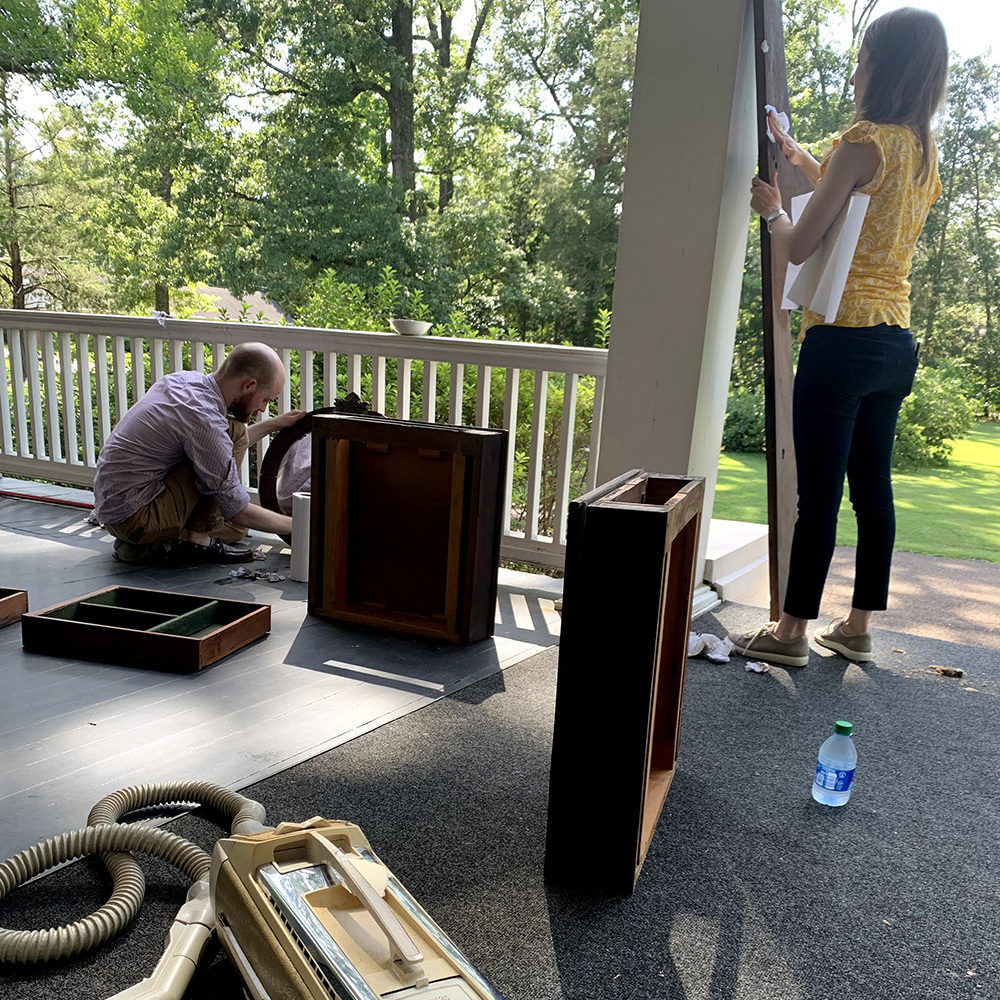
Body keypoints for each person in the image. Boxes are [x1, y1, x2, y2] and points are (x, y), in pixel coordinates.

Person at [732, 7, 948, 667]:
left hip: (843, 341)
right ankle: (856, 628)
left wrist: (772, 212)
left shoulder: (862, 140)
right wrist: (794, 152)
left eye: (865, 58)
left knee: (818, 496)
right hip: (893, 345)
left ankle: (791, 635)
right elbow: (854, 194)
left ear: (884, 66)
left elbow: (800, 245)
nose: (857, 70)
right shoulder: (919, 151)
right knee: (871, 489)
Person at [94, 341, 302, 563]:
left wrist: (274, 424)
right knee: (235, 434)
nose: (262, 409)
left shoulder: (184, 381)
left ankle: (152, 544)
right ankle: (194, 540)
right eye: (265, 400)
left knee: (235, 530)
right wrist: (300, 524)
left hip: (115, 508)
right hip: (136, 514)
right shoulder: (204, 419)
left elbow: (217, 448)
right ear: (249, 385)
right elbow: (236, 508)